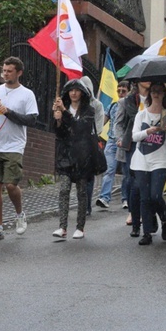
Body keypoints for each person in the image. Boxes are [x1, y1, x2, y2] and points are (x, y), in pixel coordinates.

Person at [0, 57, 39, 241]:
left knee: (11, 184)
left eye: (9, 71)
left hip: (15, 145)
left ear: (18, 73)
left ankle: (19, 214)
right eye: (4, 70)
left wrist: (9, 112)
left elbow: (31, 120)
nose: (5, 73)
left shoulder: (27, 94)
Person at [130, 83, 166, 245]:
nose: (156, 94)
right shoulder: (141, 115)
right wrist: (148, 131)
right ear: (149, 95)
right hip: (141, 161)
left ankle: (164, 220)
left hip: (160, 160)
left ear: (164, 95)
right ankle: (147, 232)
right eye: (153, 91)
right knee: (144, 198)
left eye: (159, 91)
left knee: (155, 195)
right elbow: (134, 136)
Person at [51, 79, 99, 239]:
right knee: (64, 190)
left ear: (83, 93)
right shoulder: (62, 108)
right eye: (71, 90)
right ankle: (62, 226)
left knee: (81, 192)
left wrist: (64, 112)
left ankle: (80, 226)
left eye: (77, 90)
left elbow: (80, 128)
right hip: (66, 154)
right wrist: (57, 120)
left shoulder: (89, 110)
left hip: (82, 156)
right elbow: (60, 133)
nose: (73, 93)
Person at [114, 80, 150, 236]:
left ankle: (146, 212)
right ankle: (133, 212)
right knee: (131, 178)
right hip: (131, 144)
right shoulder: (126, 101)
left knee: (146, 180)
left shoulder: (155, 98)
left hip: (150, 143)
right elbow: (118, 123)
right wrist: (120, 138)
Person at [95, 81, 130, 208]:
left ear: (129, 92)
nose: (120, 93)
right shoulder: (113, 106)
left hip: (126, 142)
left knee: (127, 172)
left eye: (123, 91)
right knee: (109, 170)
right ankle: (104, 197)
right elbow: (102, 121)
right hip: (111, 141)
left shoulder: (131, 106)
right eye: (118, 90)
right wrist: (94, 131)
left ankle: (126, 198)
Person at [80, 76, 104, 216]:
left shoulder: (97, 105)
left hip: (90, 144)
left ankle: (86, 205)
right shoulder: (75, 104)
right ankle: (82, 201)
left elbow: (99, 126)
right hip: (76, 144)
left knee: (88, 176)